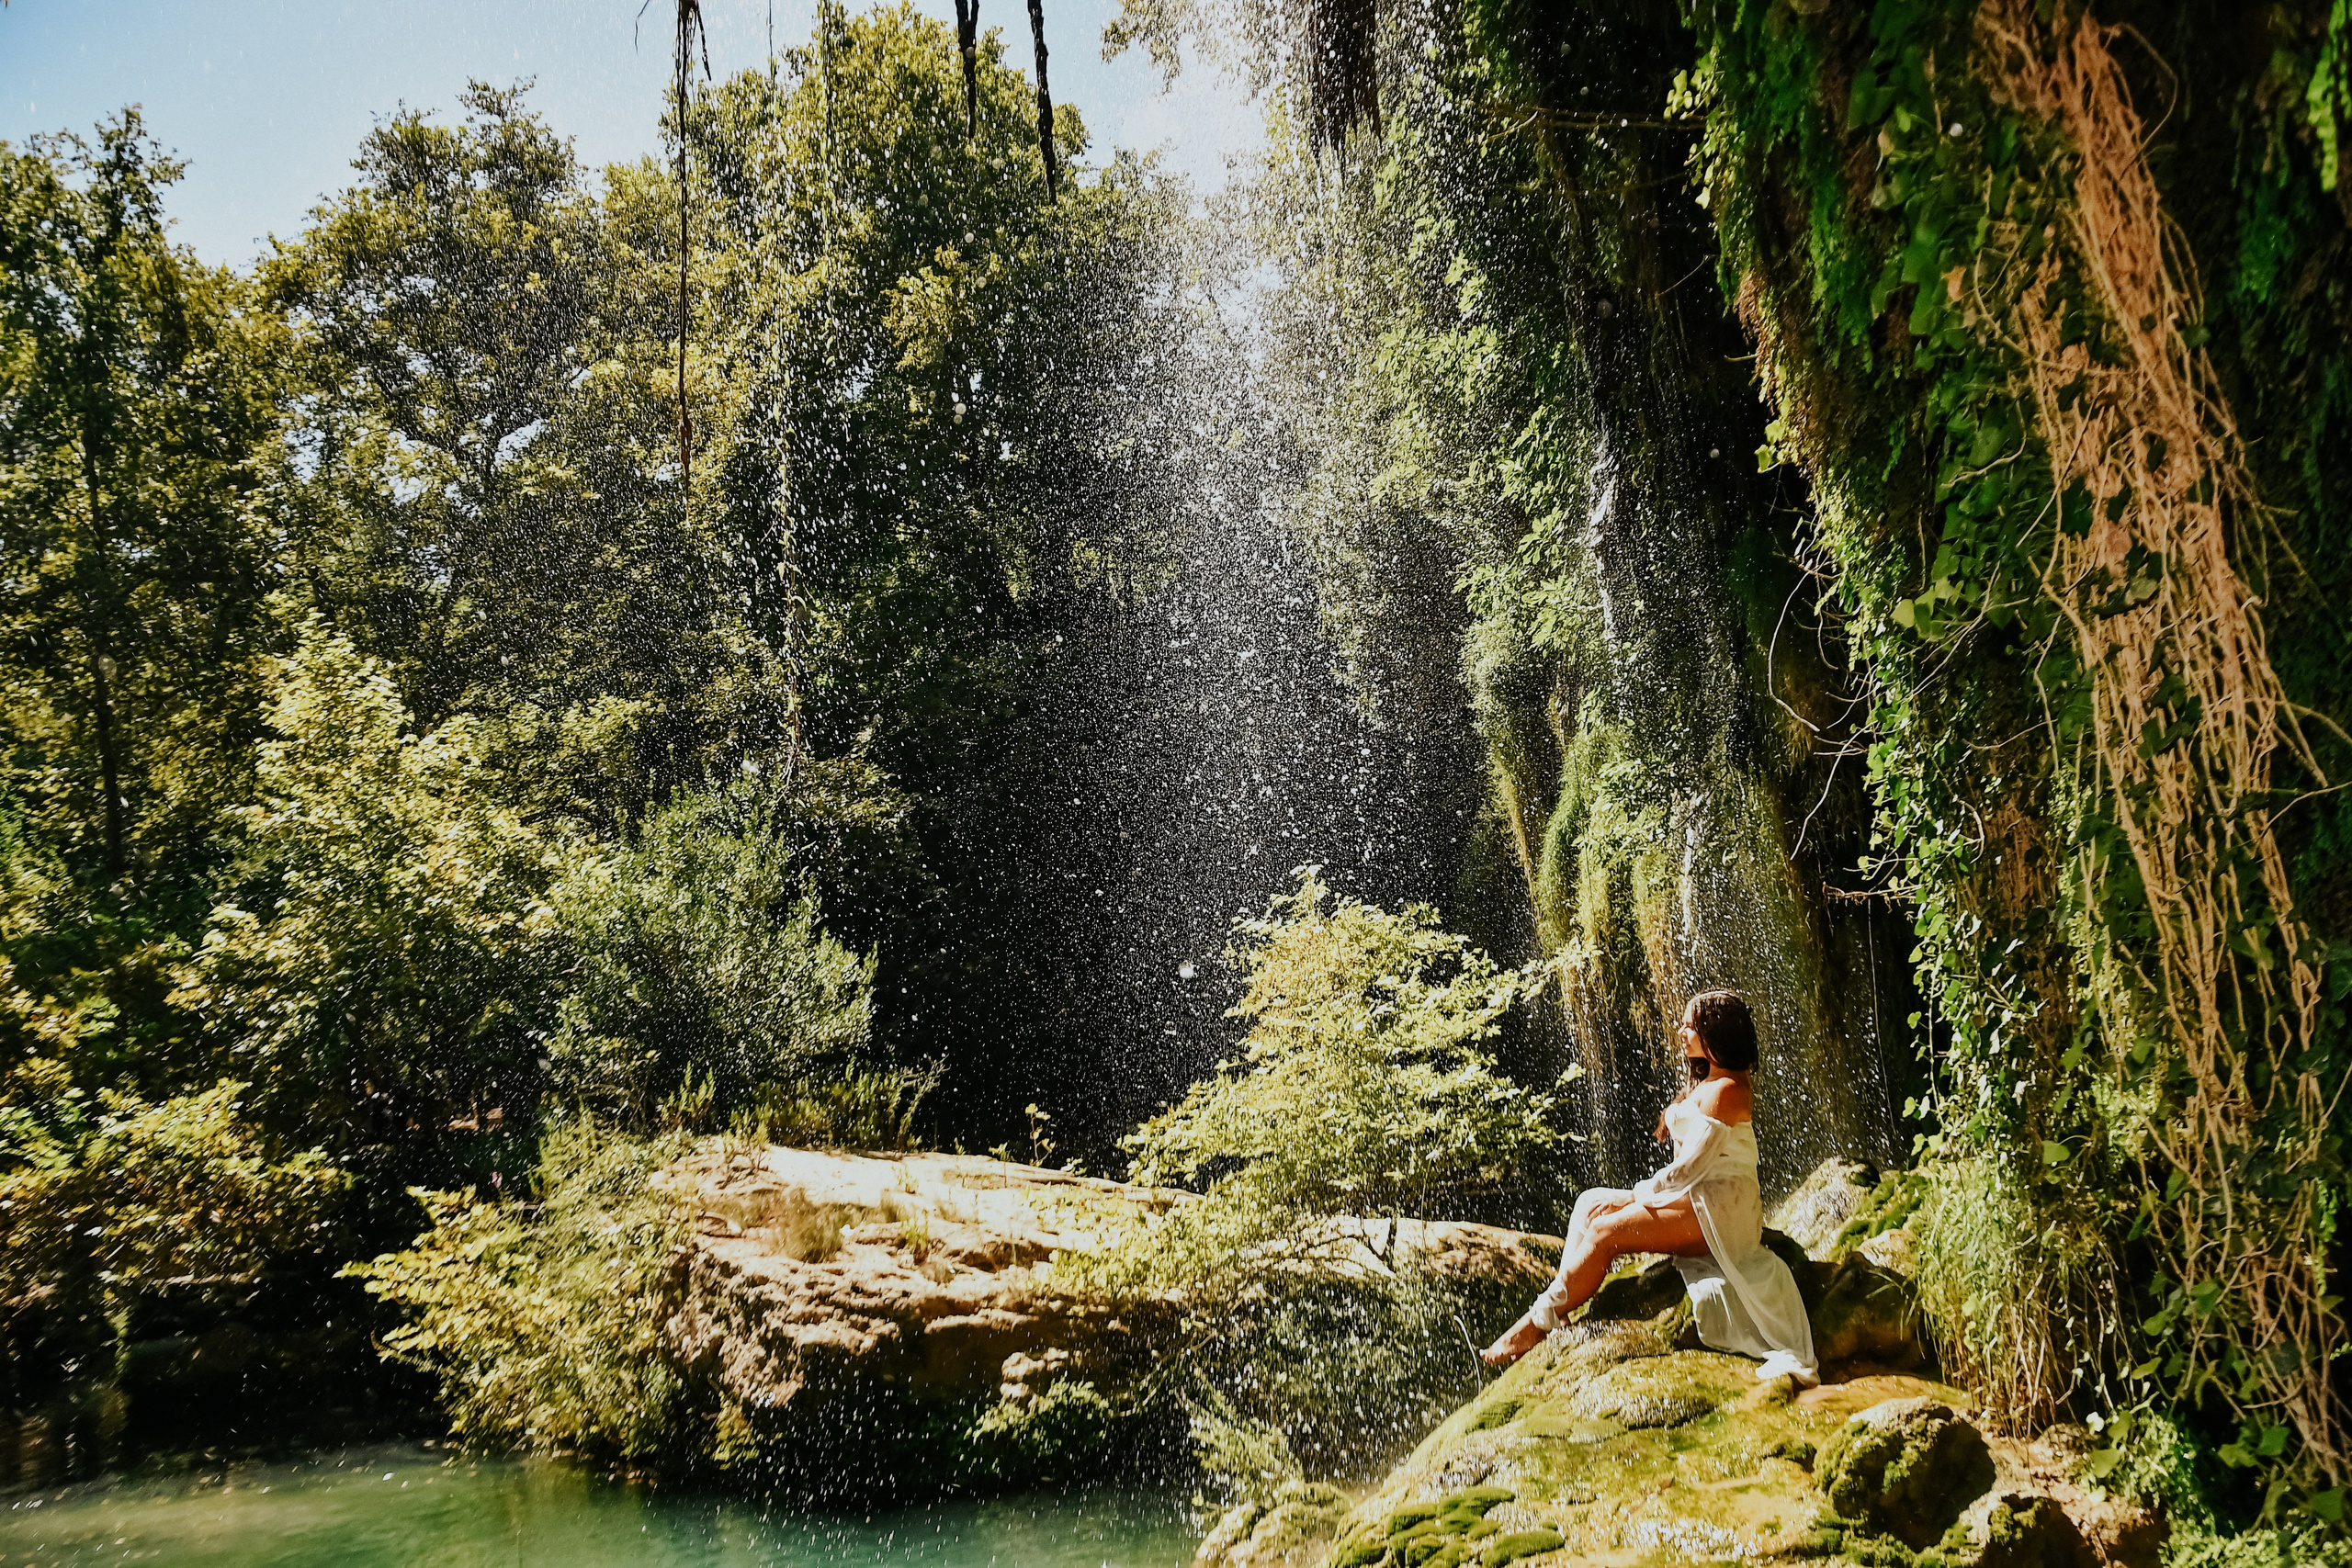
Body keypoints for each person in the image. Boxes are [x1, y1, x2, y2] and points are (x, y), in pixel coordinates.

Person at [1480, 989, 1817, 1384]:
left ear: (1716, 1032)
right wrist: (1637, 1197)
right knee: (1590, 1202)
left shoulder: (1728, 1089)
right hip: (1695, 1199)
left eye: (1690, 1025)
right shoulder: (1711, 1080)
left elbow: (1690, 1170)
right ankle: (1560, 1305)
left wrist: (1636, 1197)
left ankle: (1536, 1323)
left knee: (1606, 1232)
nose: (1681, 1030)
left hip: (1719, 1212)